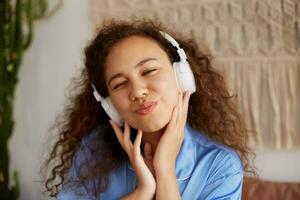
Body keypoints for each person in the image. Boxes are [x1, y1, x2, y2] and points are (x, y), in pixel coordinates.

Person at [42, 19, 255, 200]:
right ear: (109, 105)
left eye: (150, 70)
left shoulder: (219, 166)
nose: (138, 91)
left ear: (183, 77)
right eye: (119, 84)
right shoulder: (91, 153)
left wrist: (165, 171)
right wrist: (142, 192)